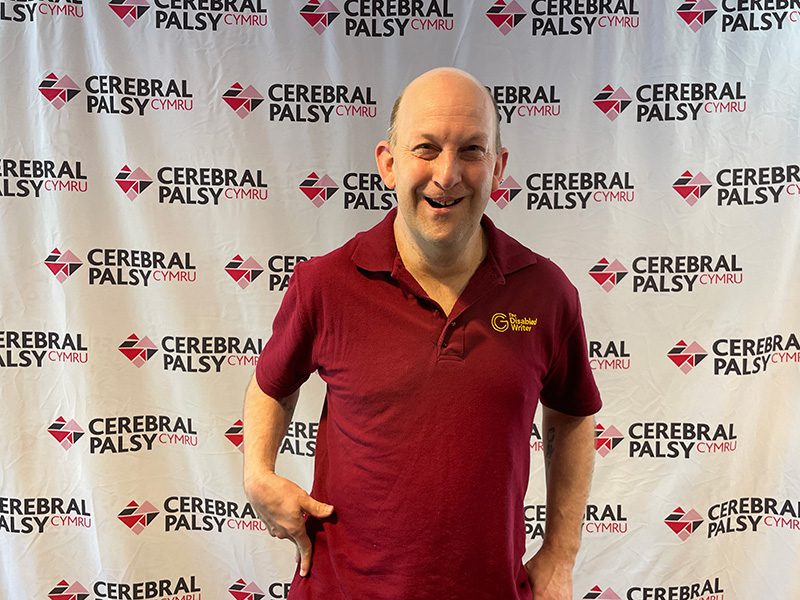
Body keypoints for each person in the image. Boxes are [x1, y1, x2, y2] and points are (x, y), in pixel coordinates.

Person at [243, 67, 601, 600]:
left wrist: (561, 552)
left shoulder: (545, 293)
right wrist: (257, 473)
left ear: (499, 167)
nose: (448, 173)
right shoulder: (325, 283)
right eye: (426, 148)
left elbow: (572, 416)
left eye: (472, 150)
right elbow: (270, 385)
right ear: (388, 163)